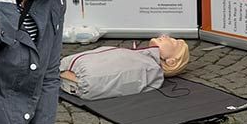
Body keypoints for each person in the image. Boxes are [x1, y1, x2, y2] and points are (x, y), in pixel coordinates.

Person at [59, 35, 189, 100]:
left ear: (171, 62)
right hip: (77, 71)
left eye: (173, 42)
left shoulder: (150, 69)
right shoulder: (143, 58)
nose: (167, 36)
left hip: (82, 77)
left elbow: (121, 80)